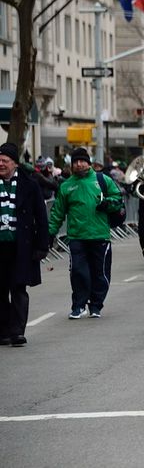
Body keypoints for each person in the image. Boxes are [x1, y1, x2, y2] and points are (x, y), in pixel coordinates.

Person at [48, 147, 123, 319]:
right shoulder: (66, 186)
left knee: (100, 273)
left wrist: (108, 203)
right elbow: (57, 212)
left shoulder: (102, 180)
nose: (79, 164)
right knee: (78, 272)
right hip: (77, 237)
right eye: (75, 161)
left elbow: (118, 199)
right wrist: (50, 233)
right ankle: (78, 305)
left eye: (82, 161)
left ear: (88, 163)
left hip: (100, 235)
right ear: (72, 164)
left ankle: (96, 305)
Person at [0, 143, 49, 347]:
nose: (0, 164)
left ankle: (17, 331)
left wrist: (42, 246)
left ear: (15, 163)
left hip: (21, 246)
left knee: (19, 288)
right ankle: (3, 331)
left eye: (4, 161)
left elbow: (41, 216)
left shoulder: (30, 185)